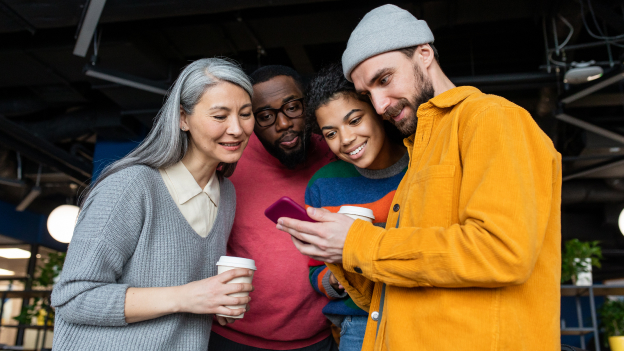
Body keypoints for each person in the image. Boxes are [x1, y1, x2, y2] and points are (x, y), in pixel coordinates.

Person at [277, 4, 562, 351]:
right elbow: (389, 295)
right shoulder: (418, 154)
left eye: (384, 80)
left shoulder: (492, 118)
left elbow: (502, 253)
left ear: (424, 54)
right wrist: (336, 252)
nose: (380, 106)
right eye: (369, 95)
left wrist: (356, 242)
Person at [51, 58, 256, 351]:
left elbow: (184, 290)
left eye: (245, 114)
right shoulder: (131, 186)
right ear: (183, 118)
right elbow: (72, 298)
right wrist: (187, 297)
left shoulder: (226, 195)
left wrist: (214, 302)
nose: (237, 129)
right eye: (220, 116)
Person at [209, 65, 337, 350]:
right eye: (265, 116)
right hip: (233, 337)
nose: (283, 124)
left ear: (309, 104)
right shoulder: (228, 162)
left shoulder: (336, 151)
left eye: (292, 107)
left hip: (317, 339)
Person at [304, 63, 407, 351]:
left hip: (421, 315)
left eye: (354, 120)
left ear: (376, 110)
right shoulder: (323, 186)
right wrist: (335, 281)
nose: (346, 139)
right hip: (358, 326)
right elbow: (315, 270)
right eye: (331, 133)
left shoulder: (422, 166)